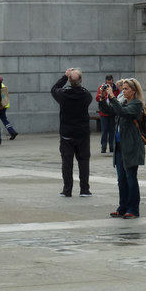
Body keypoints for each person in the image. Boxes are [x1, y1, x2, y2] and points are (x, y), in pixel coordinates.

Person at [100, 78, 145, 219]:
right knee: (121, 179)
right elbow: (109, 110)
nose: (123, 91)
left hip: (131, 146)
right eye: (123, 88)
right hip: (120, 146)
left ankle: (133, 209)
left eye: (126, 89)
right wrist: (103, 98)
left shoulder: (137, 104)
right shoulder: (123, 102)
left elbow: (122, 112)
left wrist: (113, 97)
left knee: (131, 178)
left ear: (134, 91)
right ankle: (122, 207)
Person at [51, 68, 93, 197]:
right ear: (81, 80)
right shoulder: (86, 95)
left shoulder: (63, 95)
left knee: (67, 162)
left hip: (67, 133)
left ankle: (67, 190)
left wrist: (65, 76)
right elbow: (88, 99)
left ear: (69, 80)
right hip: (82, 133)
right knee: (84, 161)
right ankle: (84, 189)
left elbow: (54, 88)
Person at [95, 75, 119, 153]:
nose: (108, 82)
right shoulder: (102, 87)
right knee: (104, 130)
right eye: (107, 81)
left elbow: (118, 98)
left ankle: (112, 147)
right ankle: (103, 147)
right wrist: (103, 95)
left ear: (112, 81)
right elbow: (97, 98)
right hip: (104, 113)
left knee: (112, 130)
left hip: (112, 112)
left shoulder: (115, 88)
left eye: (110, 81)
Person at [0, 76, 18, 140]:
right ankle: (12, 131)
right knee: (4, 120)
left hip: (0, 106)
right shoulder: (3, 86)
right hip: (5, 105)